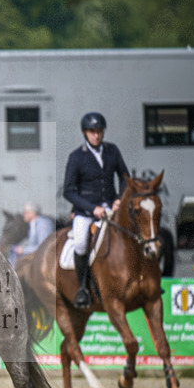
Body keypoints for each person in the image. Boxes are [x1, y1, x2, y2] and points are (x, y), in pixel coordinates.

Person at [63, 111, 130, 308]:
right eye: (92, 132)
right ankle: (83, 288)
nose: (97, 135)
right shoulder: (77, 157)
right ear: (85, 133)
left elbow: (124, 177)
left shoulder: (112, 151)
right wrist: (93, 209)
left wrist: (119, 200)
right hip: (86, 212)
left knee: (134, 232)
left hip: (112, 208)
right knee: (81, 243)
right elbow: (68, 191)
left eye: (99, 131)